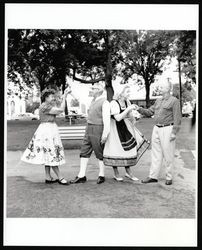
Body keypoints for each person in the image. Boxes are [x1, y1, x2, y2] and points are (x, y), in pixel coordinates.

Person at [135, 81, 182, 185]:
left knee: (168, 153)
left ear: (168, 88)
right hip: (156, 128)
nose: (160, 88)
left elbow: (177, 118)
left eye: (162, 86)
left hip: (167, 128)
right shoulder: (158, 101)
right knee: (155, 154)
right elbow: (150, 112)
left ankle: (169, 177)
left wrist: (174, 132)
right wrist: (139, 109)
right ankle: (153, 176)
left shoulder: (174, 101)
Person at [21, 87, 70, 185]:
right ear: (46, 98)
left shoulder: (47, 105)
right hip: (47, 130)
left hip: (49, 129)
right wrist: (65, 96)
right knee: (52, 153)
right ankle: (60, 177)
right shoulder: (44, 106)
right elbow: (60, 110)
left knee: (48, 153)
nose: (53, 98)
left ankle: (48, 177)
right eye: (52, 97)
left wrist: (62, 97)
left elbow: (58, 106)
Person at [70, 82, 110, 184]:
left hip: (98, 128)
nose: (91, 90)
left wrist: (105, 134)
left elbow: (107, 120)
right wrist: (70, 94)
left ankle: (101, 175)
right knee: (84, 150)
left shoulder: (105, 102)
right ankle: (81, 175)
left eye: (93, 88)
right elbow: (79, 100)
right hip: (89, 127)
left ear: (98, 91)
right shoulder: (92, 101)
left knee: (99, 151)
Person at [103, 84, 141, 182]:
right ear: (121, 93)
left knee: (127, 150)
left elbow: (129, 116)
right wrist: (129, 109)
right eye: (127, 92)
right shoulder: (114, 103)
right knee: (115, 150)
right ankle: (116, 173)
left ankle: (129, 172)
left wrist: (134, 115)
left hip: (124, 127)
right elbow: (118, 118)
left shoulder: (127, 102)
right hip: (115, 129)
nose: (129, 93)